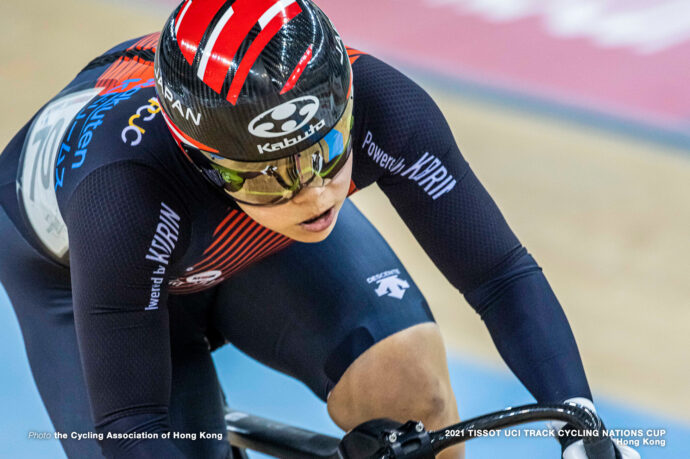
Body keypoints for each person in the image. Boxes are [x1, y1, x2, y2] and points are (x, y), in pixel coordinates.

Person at [0, 1, 638, 458]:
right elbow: (130, 421)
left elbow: (498, 274)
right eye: (272, 175)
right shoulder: (126, 192)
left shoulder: (382, 102)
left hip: (242, 238)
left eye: (328, 150)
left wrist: (580, 421)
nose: (317, 190)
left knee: (410, 389)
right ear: (201, 161)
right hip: (78, 275)